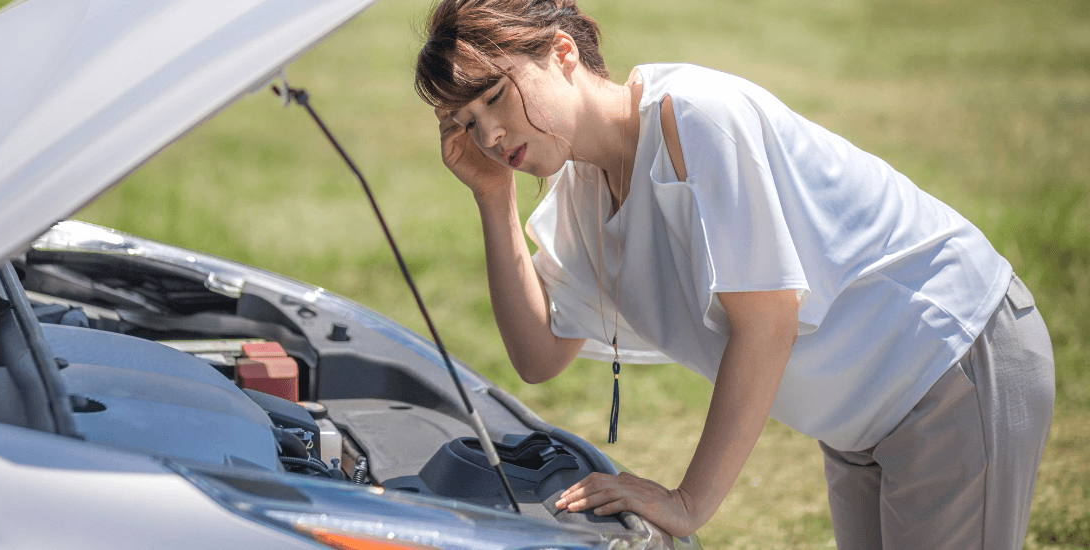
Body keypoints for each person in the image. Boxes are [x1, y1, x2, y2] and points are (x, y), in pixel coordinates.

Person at [413, 0, 1056, 547]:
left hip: (950, 363)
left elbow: (767, 324)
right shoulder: (581, 193)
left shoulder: (692, 117)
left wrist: (688, 503)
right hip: (860, 423)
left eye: (496, 95)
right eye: (468, 122)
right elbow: (540, 353)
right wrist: (493, 199)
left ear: (562, 53)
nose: (490, 134)